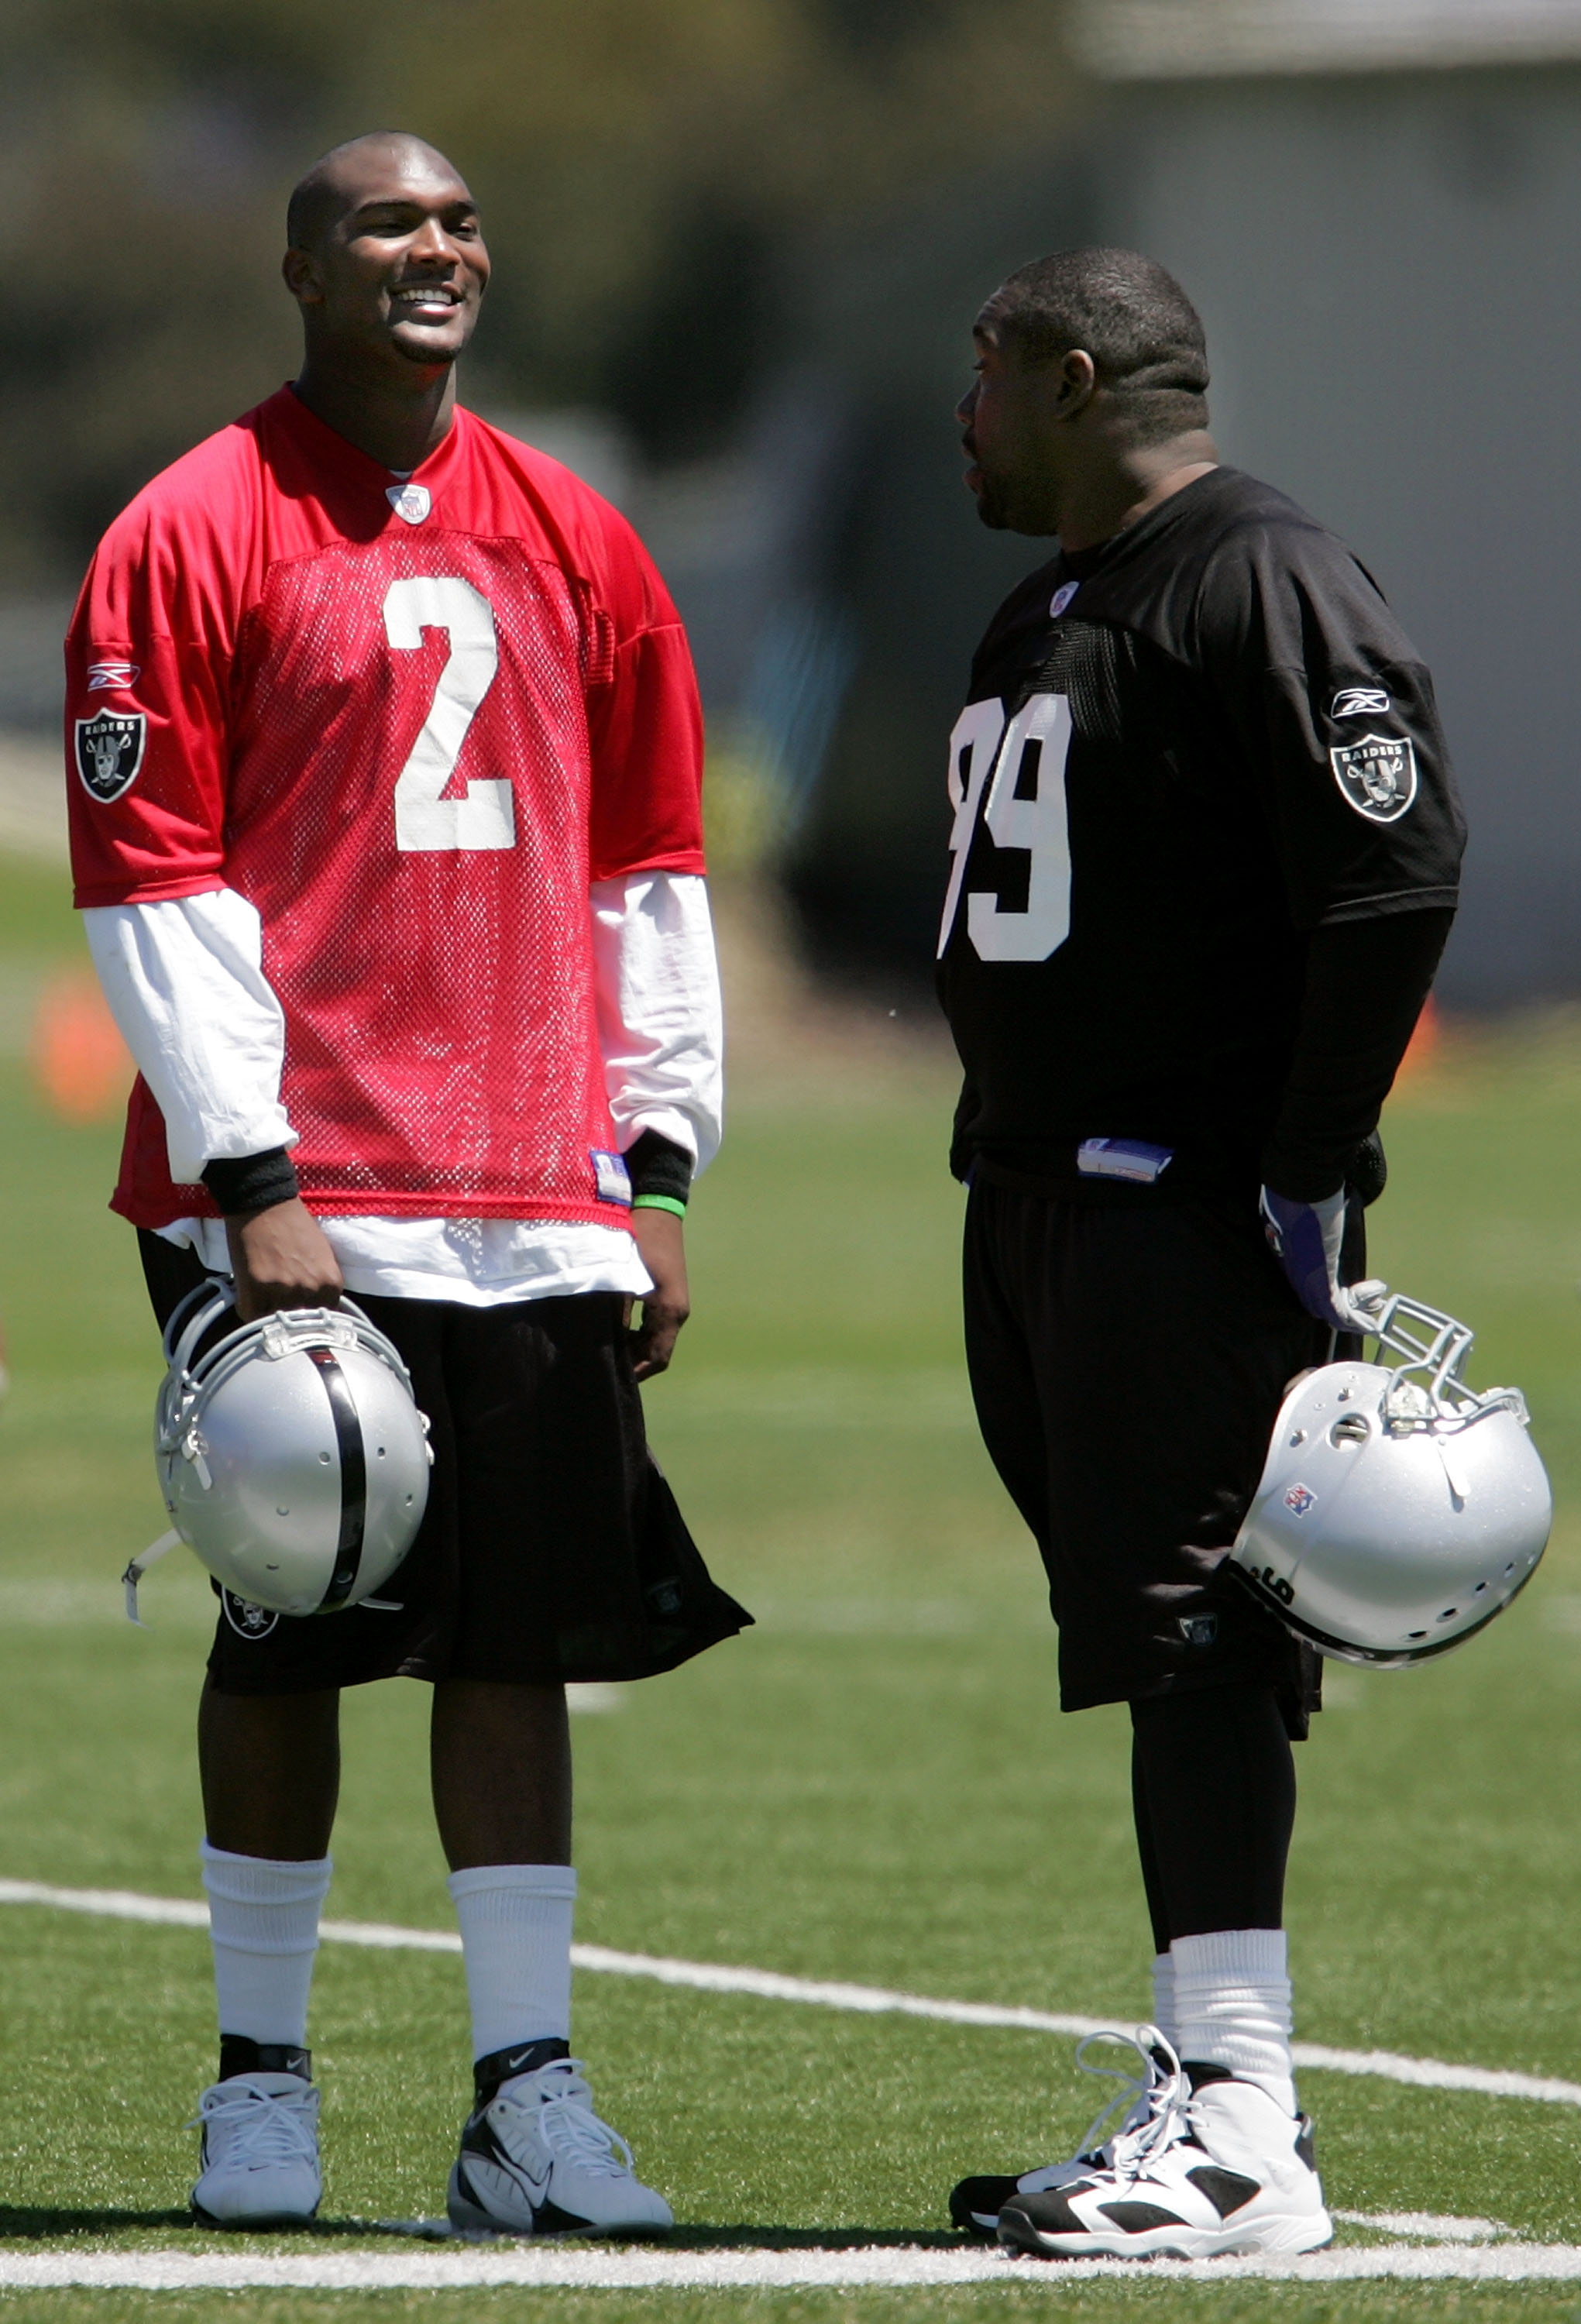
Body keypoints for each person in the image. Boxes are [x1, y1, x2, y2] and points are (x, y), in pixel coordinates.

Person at [66, 130, 749, 2239]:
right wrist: (250, 1173)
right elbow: (148, 876)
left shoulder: (578, 534)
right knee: (291, 1617)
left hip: (528, 1177)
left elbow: (649, 859)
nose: (433, 246)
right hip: (299, 1187)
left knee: (514, 1640)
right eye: (385, 222)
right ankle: (256, 2086)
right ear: (301, 269)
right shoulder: (189, 529)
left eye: (457, 218)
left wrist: (651, 1160)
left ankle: (522, 2101)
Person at [936, 248, 1464, 2260]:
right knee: (1148, 1639)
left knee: (1197, 1640)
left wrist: (1301, 1159)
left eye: (984, 379)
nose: (960, 418)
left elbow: (1395, 853)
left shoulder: (1257, 570)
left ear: (1077, 380)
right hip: (1045, 1194)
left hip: (1181, 1199)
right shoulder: (1053, 600)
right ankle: (1201, 2086)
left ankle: (1242, 2128)